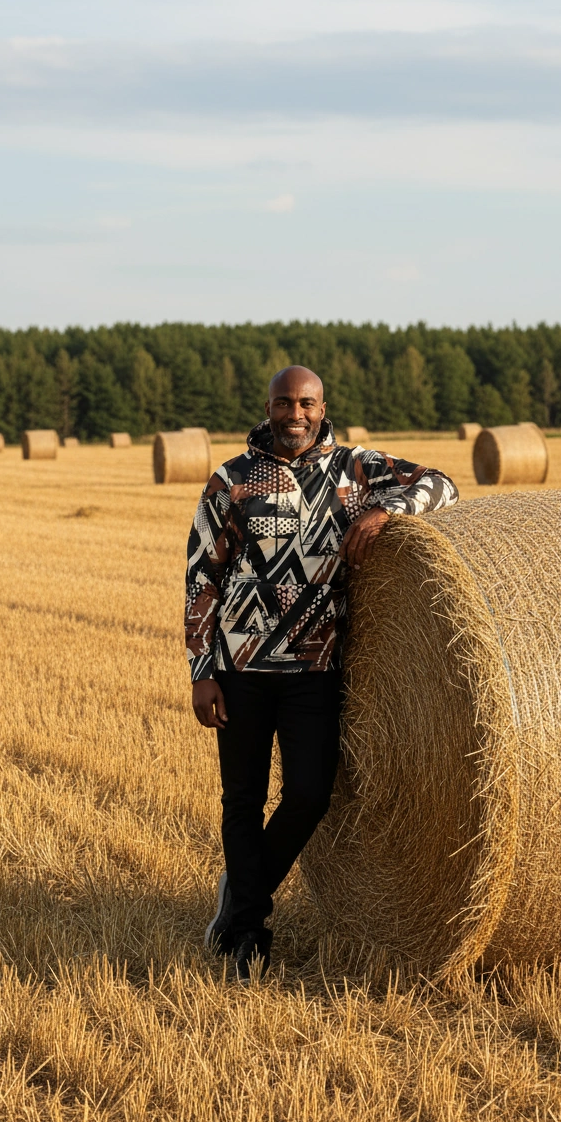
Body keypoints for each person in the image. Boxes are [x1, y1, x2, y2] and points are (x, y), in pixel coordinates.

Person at [185, 365, 458, 983]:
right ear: (268, 408)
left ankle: (243, 888)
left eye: (306, 404)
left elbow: (443, 485)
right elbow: (202, 575)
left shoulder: (356, 469)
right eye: (284, 403)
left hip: (315, 666)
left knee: (310, 794)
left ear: (322, 407)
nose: (295, 414)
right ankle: (249, 932)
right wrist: (202, 670)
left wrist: (384, 511)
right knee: (243, 799)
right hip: (240, 665)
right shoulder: (230, 480)